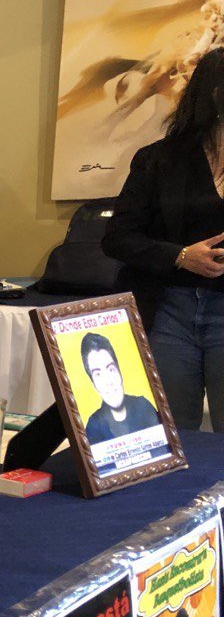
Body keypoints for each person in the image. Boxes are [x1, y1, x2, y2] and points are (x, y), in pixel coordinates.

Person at [103, 46, 224, 433]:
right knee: (171, 432)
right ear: (215, 95)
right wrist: (181, 255)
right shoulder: (159, 160)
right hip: (171, 311)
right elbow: (118, 237)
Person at [79, 332, 162, 443]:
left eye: (111, 369)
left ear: (119, 371)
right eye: (98, 374)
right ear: (93, 384)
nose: (108, 381)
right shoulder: (93, 426)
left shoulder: (143, 405)